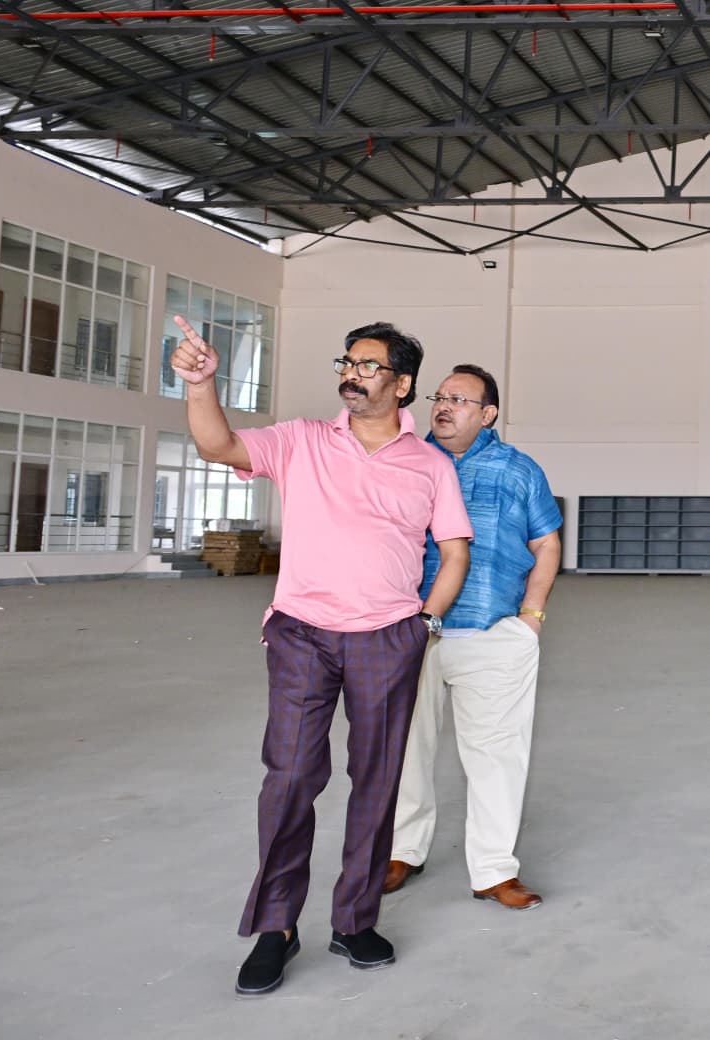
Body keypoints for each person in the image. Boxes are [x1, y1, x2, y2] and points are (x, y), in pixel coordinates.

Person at [170, 317, 472, 995]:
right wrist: (200, 384)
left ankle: (354, 920)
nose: (353, 374)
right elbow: (217, 444)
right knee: (288, 778)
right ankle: (276, 926)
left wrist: (423, 624)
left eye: (369, 365)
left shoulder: (430, 465)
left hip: (387, 638)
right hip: (302, 634)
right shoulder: (301, 440)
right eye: (348, 362)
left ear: (402, 384)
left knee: (377, 781)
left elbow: (454, 551)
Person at [384, 364, 562, 909]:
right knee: (403, 748)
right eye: (440, 396)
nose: (443, 406)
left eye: (459, 399)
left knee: (496, 754)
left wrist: (531, 617)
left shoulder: (518, 470)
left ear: (487, 414)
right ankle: (402, 851)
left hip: (492, 632)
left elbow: (547, 543)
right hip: (411, 631)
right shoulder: (407, 460)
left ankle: (493, 871)